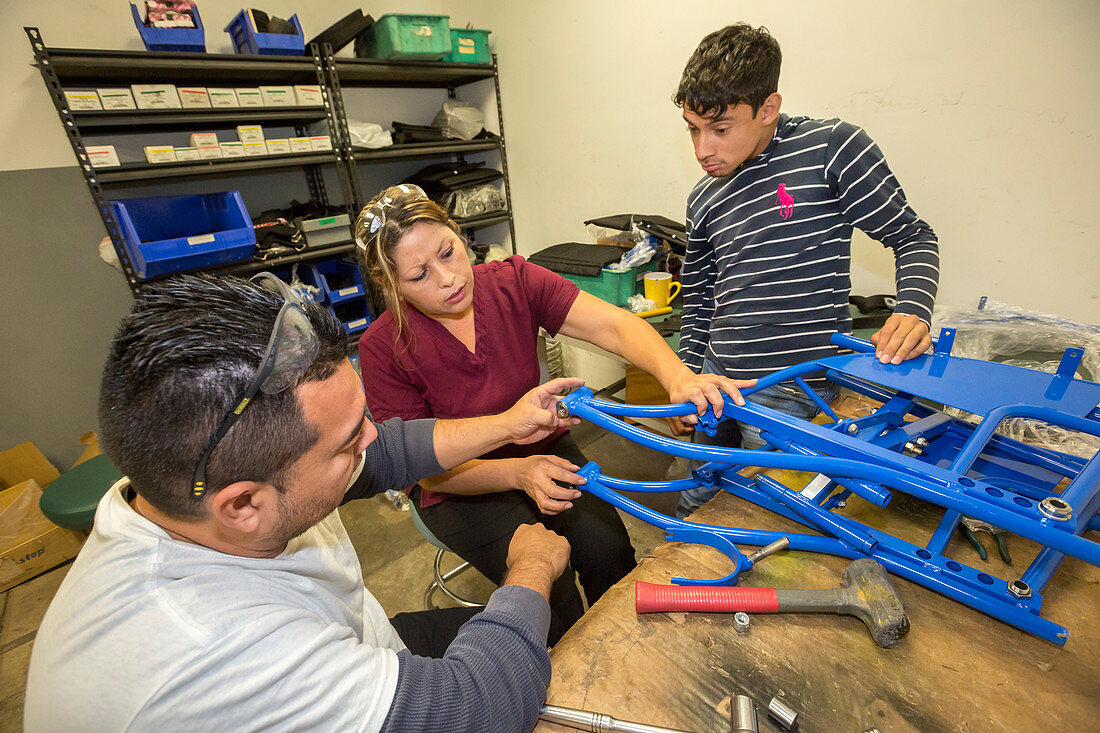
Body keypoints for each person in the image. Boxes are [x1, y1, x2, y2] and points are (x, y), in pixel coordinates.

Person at [24, 273, 587, 732]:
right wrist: (530, 569)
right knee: (524, 664)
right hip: (298, 668)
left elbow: (386, 453)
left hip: (357, 636)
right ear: (243, 505)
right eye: (348, 441)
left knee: (542, 632)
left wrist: (511, 424)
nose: (372, 436)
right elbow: (476, 709)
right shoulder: (218, 653)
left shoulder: (191, 486)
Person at [355, 185, 754, 642]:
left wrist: (677, 377)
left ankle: (624, 658)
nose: (447, 278)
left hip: (541, 444)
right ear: (390, 286)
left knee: (610, 552)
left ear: (457, 233)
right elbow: (429, 474)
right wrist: (519, 472)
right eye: (419, 275)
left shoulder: (512, 282)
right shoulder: (383, 349)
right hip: (462, 484)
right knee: (550, 594)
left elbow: (614, 323)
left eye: (449, 252)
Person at [673, 24, 941, 518]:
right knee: (692, 496)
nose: (702, 149)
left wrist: (914, 310)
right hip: (715, 377)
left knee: (770, 512)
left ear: (768, 109)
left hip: (794, 391)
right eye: (693, 128)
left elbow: (912, 236)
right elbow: (699, 297)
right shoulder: (704, 196)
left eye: (721, 128)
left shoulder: (832, 149)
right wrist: (686, 375)